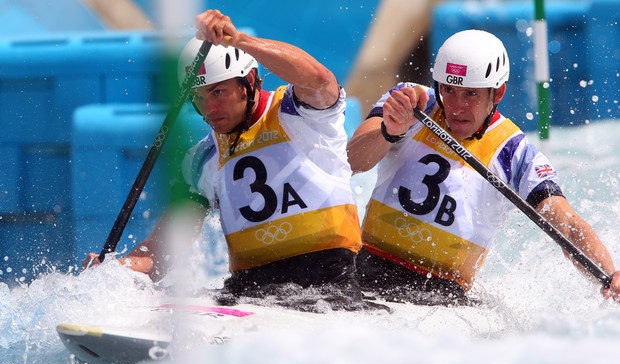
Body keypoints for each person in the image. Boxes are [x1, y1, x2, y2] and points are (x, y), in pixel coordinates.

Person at [83, 9, 370, 311]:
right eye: (200, 96)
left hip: (327, 285)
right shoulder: (202, 158)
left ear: (249, 81)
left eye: (218, 91)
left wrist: (241, 40)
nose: (210, 108)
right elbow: (161, 252)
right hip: (250, 291)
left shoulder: (300, 113)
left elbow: (318, 78)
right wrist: (114, 274)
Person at [347, 29, 620, 305]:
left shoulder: (516, 154)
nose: (456, 106)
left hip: (443, 294)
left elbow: (566, 225)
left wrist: (610, 275)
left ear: (497, 92)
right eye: (448, 90)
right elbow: (352, 162)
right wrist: (389, 131)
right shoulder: (412, 104)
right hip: (367, 267)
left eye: (470, 94)